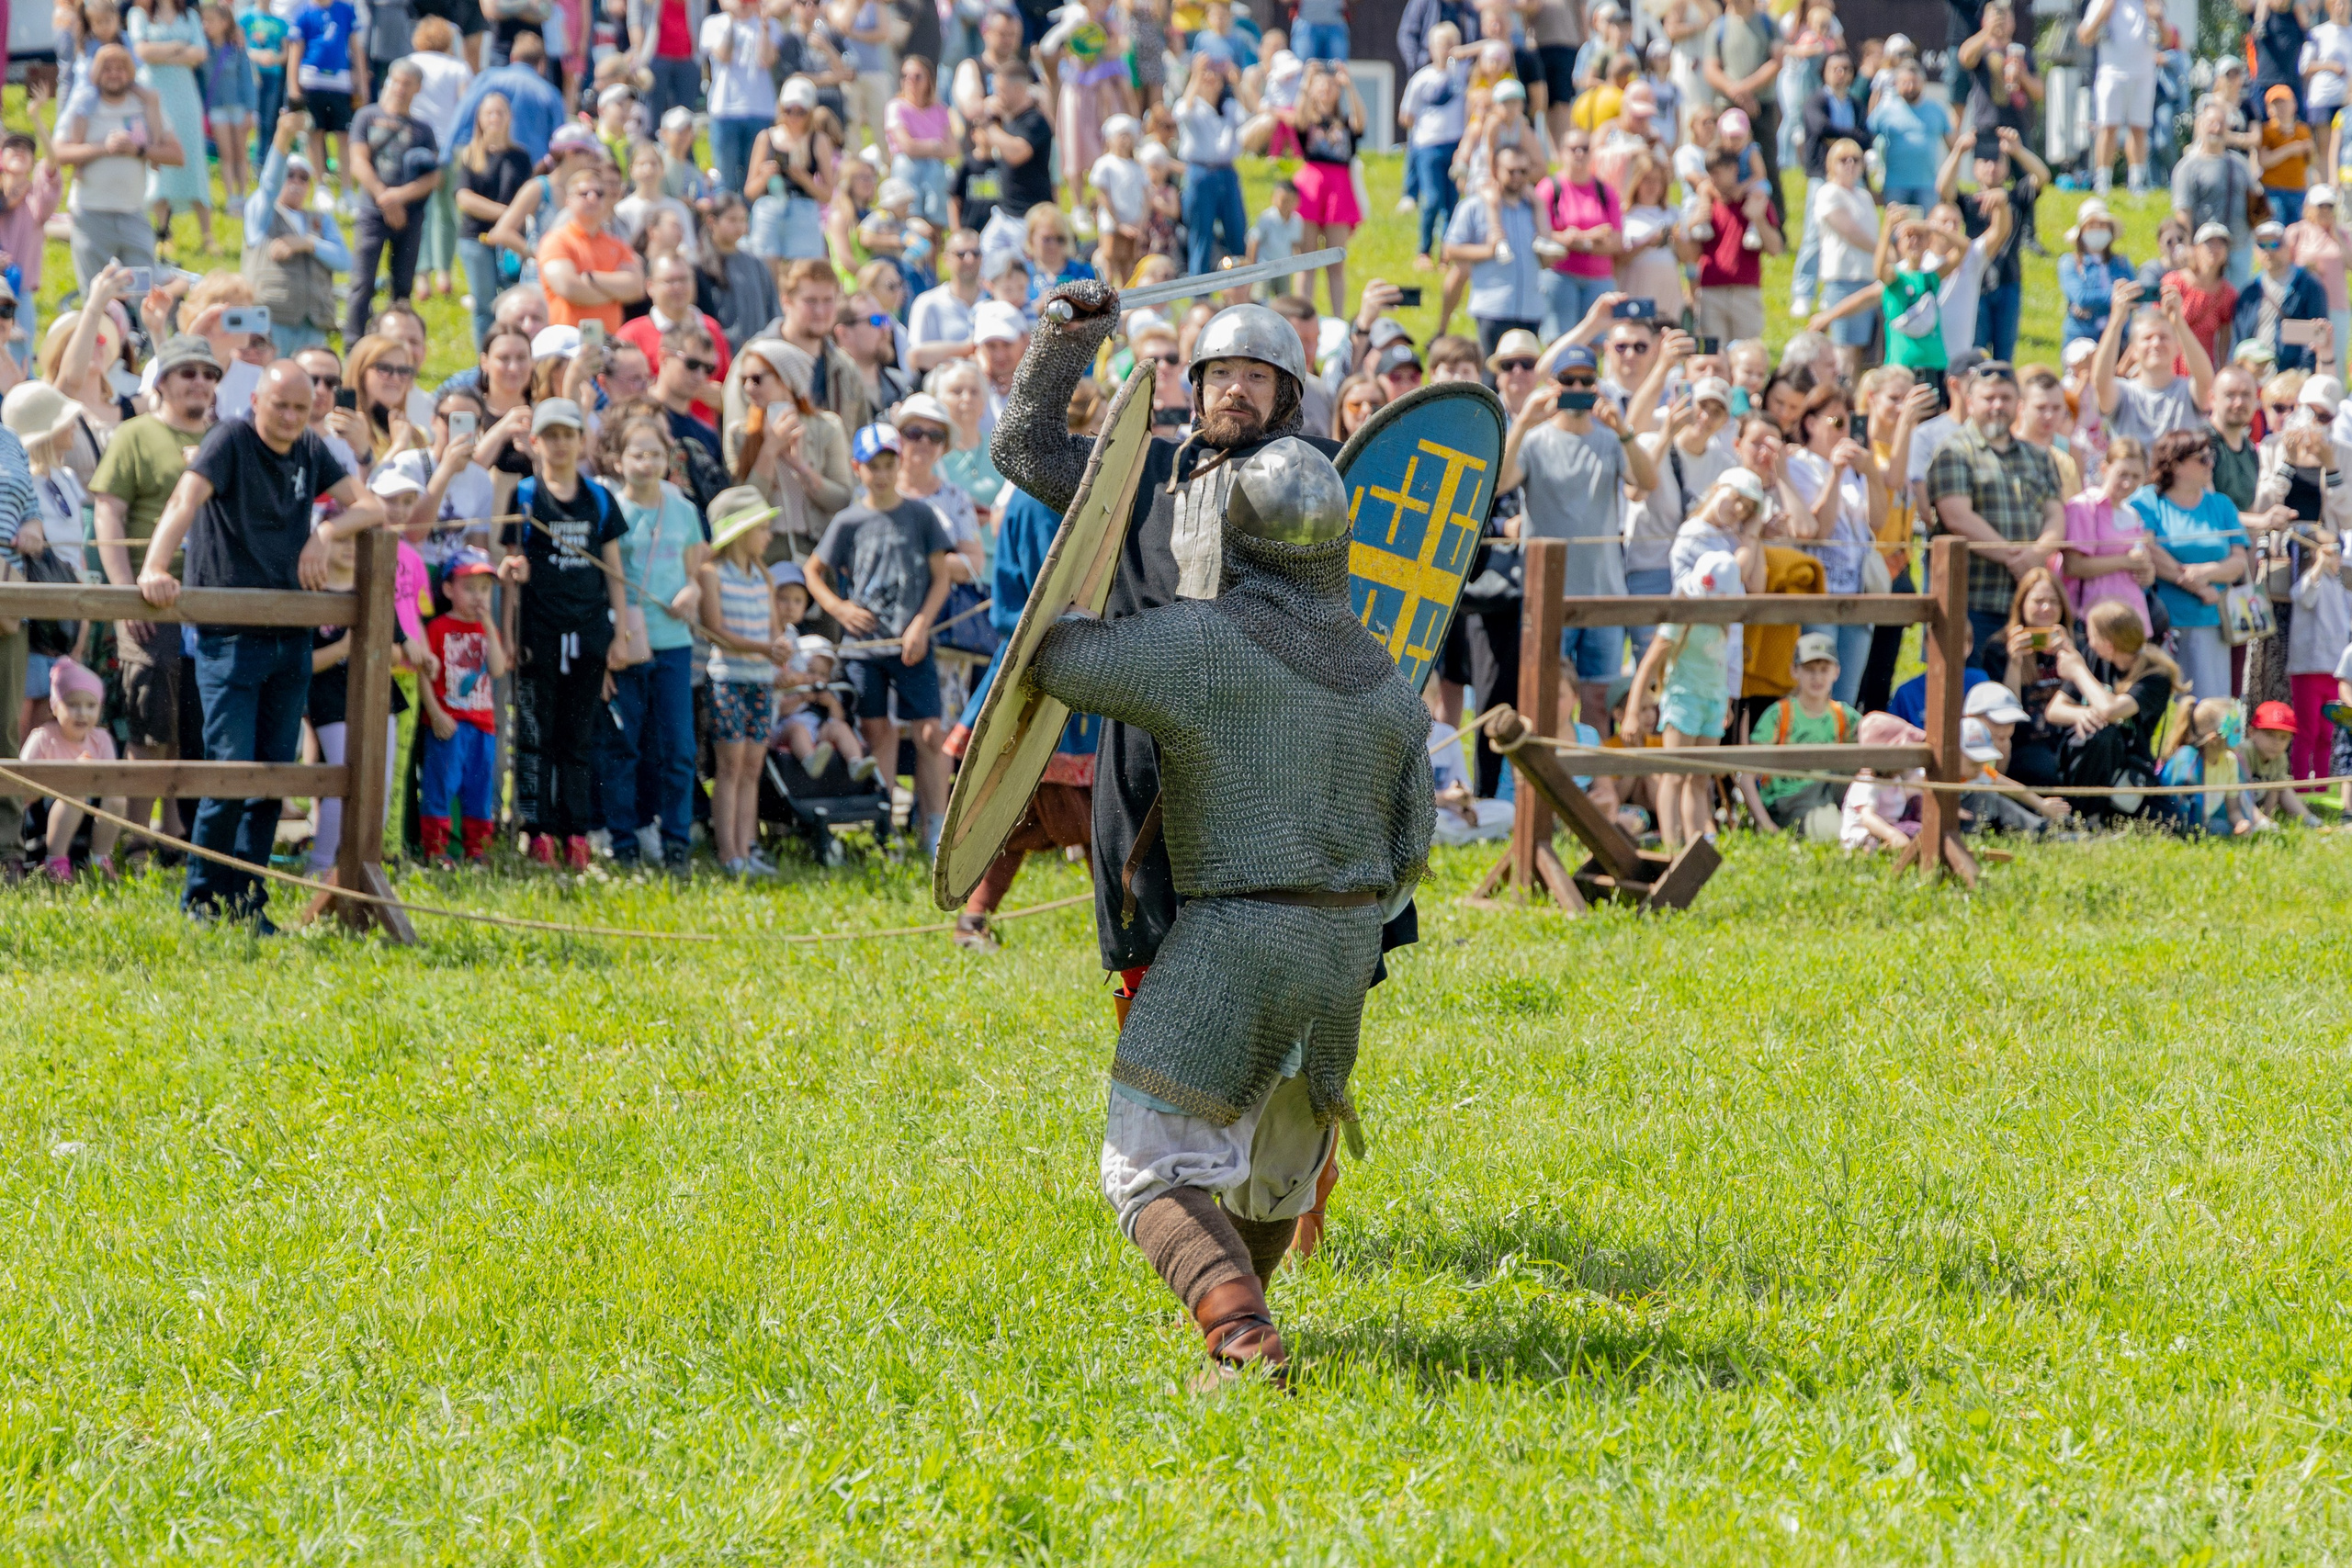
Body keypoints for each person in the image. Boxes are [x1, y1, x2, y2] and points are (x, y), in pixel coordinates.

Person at [1020, 429, 1432, 1385]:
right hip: (1339, 956)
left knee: (1149, 1167)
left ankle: (1242, 1342)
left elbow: (1062, 664)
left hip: (1234, 941)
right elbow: (1412, 851)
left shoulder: (1207, 642)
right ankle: (1247, 1314)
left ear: (1231, 538)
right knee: (1277, 1171)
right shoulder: (1383, 677)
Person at [133, 359, 384, 925]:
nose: (292, 417)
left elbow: (372, 506)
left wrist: (326, 530)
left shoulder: (311, 450)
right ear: (256, 403)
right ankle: (202, 897)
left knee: (274, 775)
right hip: (229, 636)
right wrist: (154, 566)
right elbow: (183, 501)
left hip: (290, 637)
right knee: (229, 770)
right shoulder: (229, 439)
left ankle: (247, 900)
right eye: (281, 406)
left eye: (301, 407)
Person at [498, 397, 631, 869]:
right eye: (550, 436)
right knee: (536, 734)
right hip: (540, 632)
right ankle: (537, 830)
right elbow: (514, 565)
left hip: (590, 632)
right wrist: (508, 632)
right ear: (535, 443)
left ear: (581, 441)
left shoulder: (598, 497)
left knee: (578, 737)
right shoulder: (526, 496)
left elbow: (614, 568)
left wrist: (621, 630)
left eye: (568, 435)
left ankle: (576, 832)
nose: (559, 444)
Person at [807, 423, 953, 852]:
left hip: (912, 644)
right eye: (874, 467)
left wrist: (921, 624)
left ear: (900, 463)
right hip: (864, 647)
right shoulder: (848, 520)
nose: (883, 474)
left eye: (890, 464)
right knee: (877, 731)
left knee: (928, 733)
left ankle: (934, 828)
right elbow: (812, 572)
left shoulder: (922, 515)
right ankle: (884, 825)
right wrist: (839, 608)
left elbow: (942, 577)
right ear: (857, 469)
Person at [1500, 344, 1659, 728]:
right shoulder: (1534, 440)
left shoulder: (1609, 439)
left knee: (1600, 702)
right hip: (1550, 594)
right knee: (1545, 696)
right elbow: (1499, 485)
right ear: (1551, 385)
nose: (1576, 387)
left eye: (1585, 380)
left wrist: (1624, 431)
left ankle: (1595, 785)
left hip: (1604, 591)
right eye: (1567, 380)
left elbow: (1647, 482)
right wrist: (1522, 423)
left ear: (1596, 386)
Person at [1928, 361, 2068, 654]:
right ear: (1970, 402)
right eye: (1988, 398)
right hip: (1973, 602)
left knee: (2029, 693)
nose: (1997, 406)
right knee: (1971, 690)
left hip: (2029, 604)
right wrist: (2013, 556)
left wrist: (2034, 555)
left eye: (2005, 398)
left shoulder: (2039, 457)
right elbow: (1956, 517)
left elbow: (2057, 516)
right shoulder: (1953, 451)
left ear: (2018, 404)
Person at [1621, 547, 1741, 847]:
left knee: (1699, 778)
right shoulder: (1680, 617)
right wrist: (1633, 711)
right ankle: (1671, 845)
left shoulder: (1724, 621)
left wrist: (1725, 700)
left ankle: (1697, 842)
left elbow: (1719, 663)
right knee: (1674, 775)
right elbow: (1648, 664)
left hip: (1712, 702)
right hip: (1684, 701)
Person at [2132, 427, 2253, 701]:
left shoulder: (2221, 505)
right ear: (2175, 463)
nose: (2211, 463)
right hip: (2159, 625)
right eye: (2203, 457)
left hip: (2210, 624)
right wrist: (2196, 586)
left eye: (2212, 455)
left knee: (2211, 709)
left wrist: (2207, 572)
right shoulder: (2148, 500)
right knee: (2164, 710)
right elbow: (2147, 549)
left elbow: (2238, 560)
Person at [696, 490, 782, 874]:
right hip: (729, 679)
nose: (768, 536)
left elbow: (775, 631)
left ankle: (748, 850)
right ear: (741, 531)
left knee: (752, 768)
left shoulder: (764, 576)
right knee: (729, 767)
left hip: (761, 681)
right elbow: (716, 630)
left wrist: (780, 649)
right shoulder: (711, 574)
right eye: (762, 528)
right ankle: (728, 852)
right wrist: (765, 648)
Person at [54, 44, 181, 290]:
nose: (114, 74)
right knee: (97, 295)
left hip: (133, 213)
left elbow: (177, 155)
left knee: (146, 291)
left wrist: (138, 150)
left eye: (121, 69)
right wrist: (104, 147)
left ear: (131, 73)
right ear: (96, 73)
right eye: (107, 69)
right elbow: (57, 153)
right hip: (91, 214)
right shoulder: (82, 106)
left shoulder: (144, 105)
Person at [415, 549, 511, 865]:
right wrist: (435, 713)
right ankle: (436, 851)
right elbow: (423, 676)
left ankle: (477, 851)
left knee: (480, 790)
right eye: (469, 588)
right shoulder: (438, 627)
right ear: (447, 590)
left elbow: (497, 669)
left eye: (484, 589)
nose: (478, 596)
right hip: (449, 723)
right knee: (440, 786)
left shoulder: (487, 629)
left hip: (483, 724)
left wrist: (488, 625)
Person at [341, 59, 440, 345]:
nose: (399, 88)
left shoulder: (423, 130)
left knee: (402, 287)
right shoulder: (367, 117)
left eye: (406, 83)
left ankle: (399, 343)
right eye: (395, 81)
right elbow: (358, 162)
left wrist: (400, 196)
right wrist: (384, 197)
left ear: (417, 88)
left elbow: (433, 178)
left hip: (411, 216)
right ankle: (354, 344)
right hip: (372, 213)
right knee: (362, 282)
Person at [17, 657, 125, 882]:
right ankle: (55, 861)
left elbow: (110, 782)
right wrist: (69, 777)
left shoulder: (102, 739)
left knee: (117, 798)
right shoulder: (44, 737)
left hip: (88, 810)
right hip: (42, 811)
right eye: (73, 705)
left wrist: (92, 775)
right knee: (75, 791)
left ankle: (99, 859)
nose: (82, 713)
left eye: (90, 706)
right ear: (55, 707)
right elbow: (23, 789)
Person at [1741, 631, 1860, 832]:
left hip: (1830, 789)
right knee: (1830, 833)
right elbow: (1746, 777)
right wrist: (1766, 824)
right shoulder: (1780, 713)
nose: (1817, 677)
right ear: (1794, 671)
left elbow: (1877, 738)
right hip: (1790, 798)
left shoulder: (1843, 714)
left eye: (1824, 669)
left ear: (1836, 672)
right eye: (1809, 669)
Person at [2093, 282, 2219, 448]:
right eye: (2147, 338)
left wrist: (2178, 322)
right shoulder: (2124, 392)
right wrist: (2116, 320)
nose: (2156, 343)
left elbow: (2206, 381)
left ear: (2177, 347)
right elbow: (2100, 383)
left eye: (2164, 337)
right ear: (2134, 350)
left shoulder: (2187, 391)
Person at [2060, 434, 2156, 629]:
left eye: (2136, 476)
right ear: (2105, 468)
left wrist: (2148, 573)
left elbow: (2142, 564)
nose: (2128, 483)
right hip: (2094, 617)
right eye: (2122, 474)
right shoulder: (2084, 507)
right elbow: (2073, 566)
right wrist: (2124, 562)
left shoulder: (2134, 514)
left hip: (2132, 617)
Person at [537, 162, 645, 334]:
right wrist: (615, 293)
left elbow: (636, 288)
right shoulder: (556, 240)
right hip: (568, 344)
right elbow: (568, 288)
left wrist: (590, 279)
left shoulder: (617, 245)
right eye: (584, 193)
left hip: (609, 343)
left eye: (599, 193)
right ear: (568, 201)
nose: (592, 198)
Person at [2080, 0, 2156, 196]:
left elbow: (2167, 38)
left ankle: (2137, 183)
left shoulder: (2150, 3)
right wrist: (2103, 13)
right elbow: (2084, 36)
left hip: (2143, 74)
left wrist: (2158, 17)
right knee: (2107, 127)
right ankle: (2103, 181)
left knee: (2139, 128)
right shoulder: (2103, 2)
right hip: (2111, 73)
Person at [2237, 218, 2334, 369]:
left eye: (2275, 244)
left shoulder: (2309, 286)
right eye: (2262, 245)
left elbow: (2316, 335)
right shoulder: (2250, 292)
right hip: (2254, 378)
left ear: (2288, 247)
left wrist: (2302, 374)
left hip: (2292, 377)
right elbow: (2240, 337)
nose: (2269, 251)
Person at [2059, 199, 2133, 349]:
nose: (2098, 230)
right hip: (2081, 337)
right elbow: (2081, 297)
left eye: (2102, 225)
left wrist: (2098, 300)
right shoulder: (2069, 262)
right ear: (2082, 232)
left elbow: (2134, 295)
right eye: (2092, 226)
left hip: (2119, 337)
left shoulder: (2121, 262)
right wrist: (2117, 295)